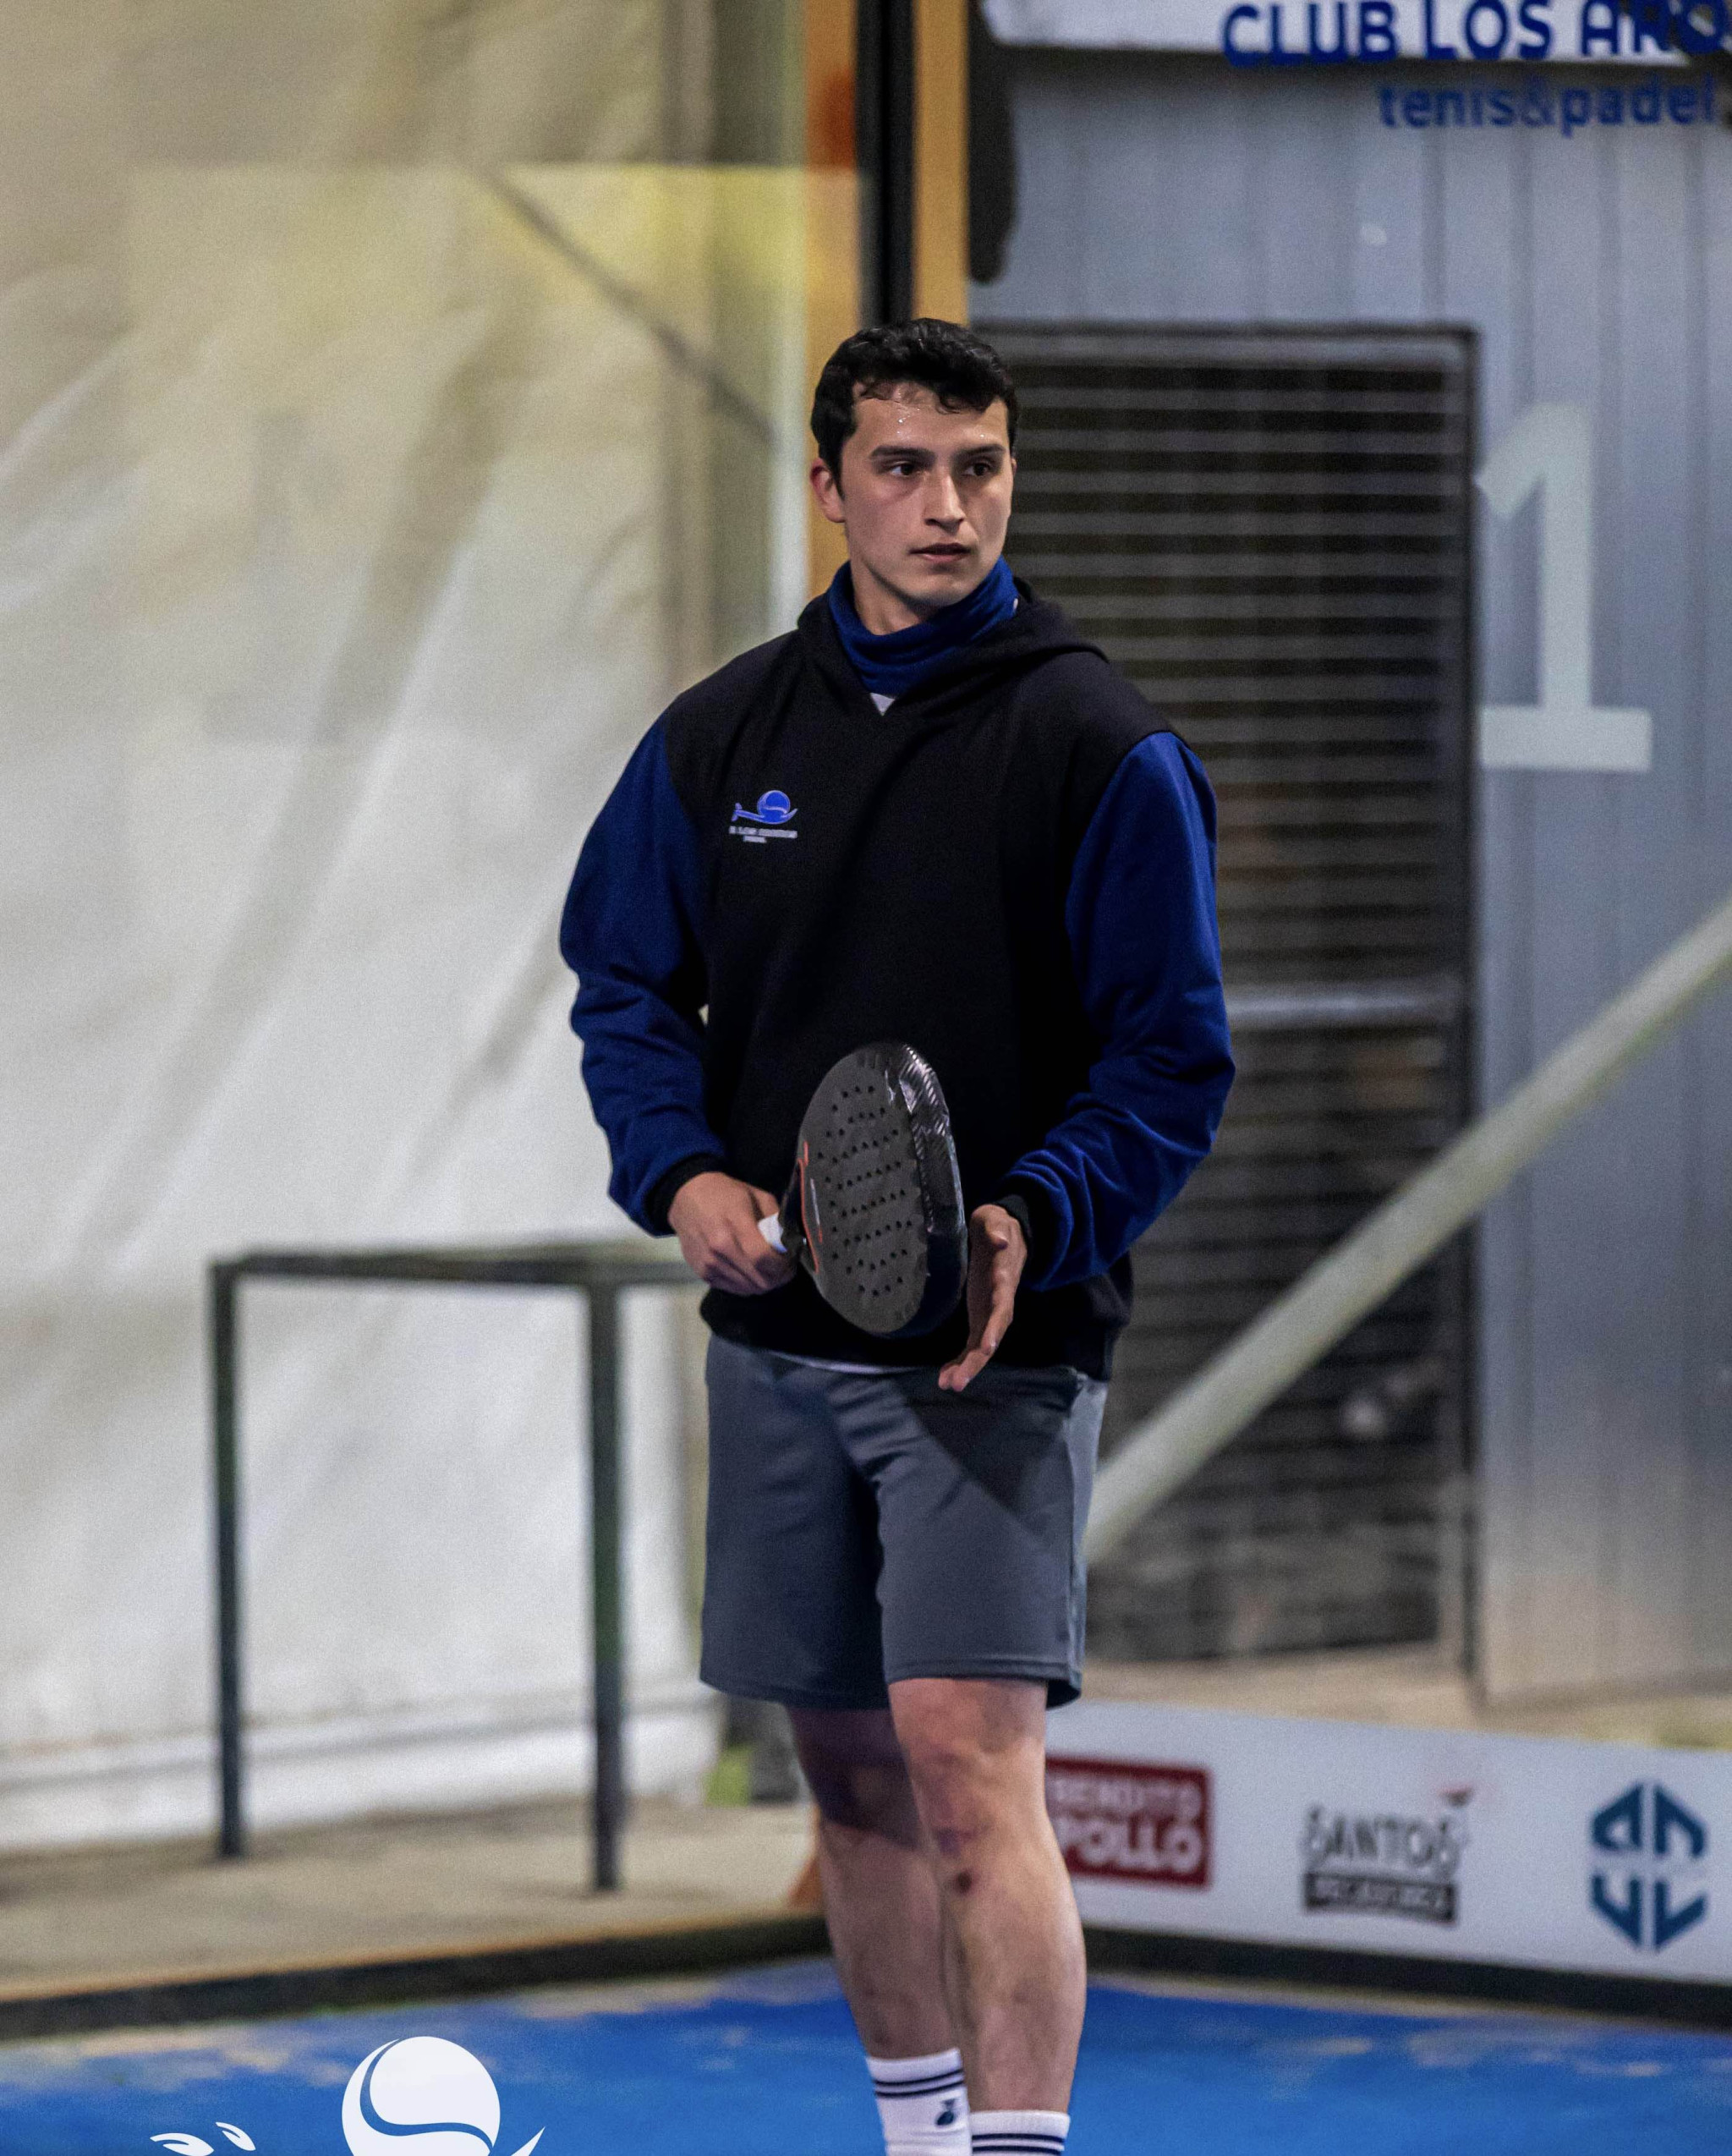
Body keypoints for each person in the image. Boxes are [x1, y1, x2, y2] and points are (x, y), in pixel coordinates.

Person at [560, 320, 1233, 2156]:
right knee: (848, 1772)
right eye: (904, 468)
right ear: (829, 485)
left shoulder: (1102, 748)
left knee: (964, 1762)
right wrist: (679, 1175)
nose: (947, 505)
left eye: (979, 467)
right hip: (777, 1347)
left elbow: (1172, 1058)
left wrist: (1035, 1210)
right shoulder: (718, 738)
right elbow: (624, 985)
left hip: (988, 1357)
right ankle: (919, 2139)